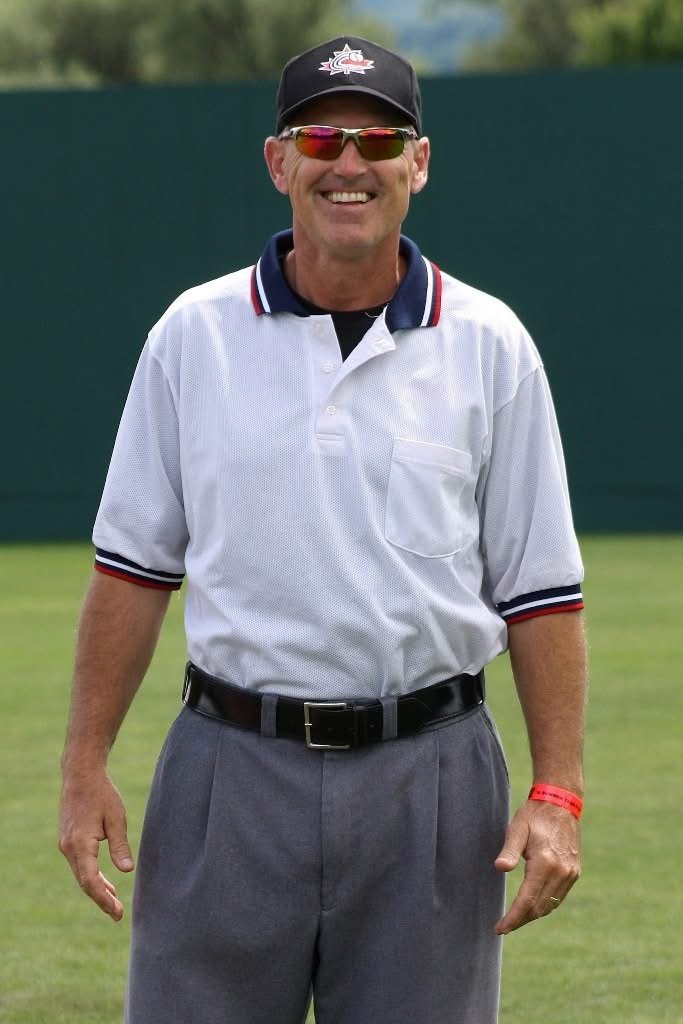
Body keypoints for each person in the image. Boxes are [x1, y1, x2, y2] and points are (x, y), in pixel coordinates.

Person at [59, 36, 587, 1024]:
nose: (349, 162)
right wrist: (84, 763)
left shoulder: (489, 345)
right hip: (227, 771)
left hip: (431, 779)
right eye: (322, 137)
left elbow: (540, 590)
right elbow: (132, 571)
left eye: (379, 137)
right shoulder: (192, 335)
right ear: (279, 161)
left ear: (417, 163)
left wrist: (556, 792)